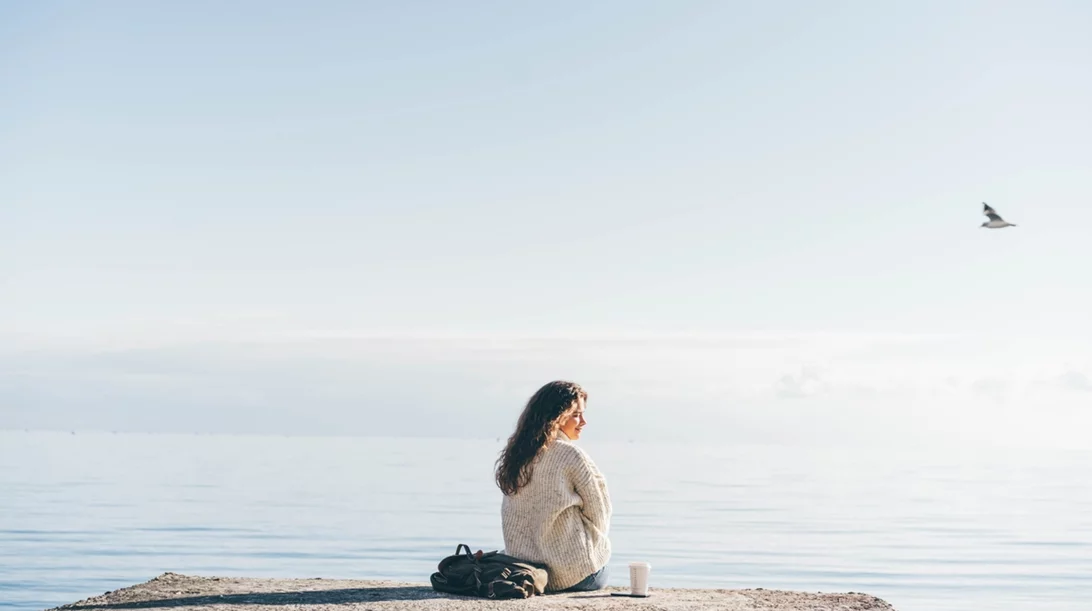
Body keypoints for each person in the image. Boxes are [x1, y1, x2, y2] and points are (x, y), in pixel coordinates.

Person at [495, 381, 612, 592]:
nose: (583, 421)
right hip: (574, 576)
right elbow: (601, 514)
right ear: (556, 417)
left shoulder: (518, 456)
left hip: (527, 574)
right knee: (603, 565)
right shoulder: (571, 455)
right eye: (576, 414)